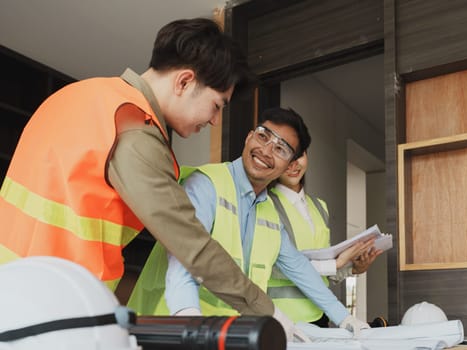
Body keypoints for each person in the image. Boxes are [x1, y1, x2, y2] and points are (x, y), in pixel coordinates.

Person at [0, 18, 280, 319]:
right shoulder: (134, 128)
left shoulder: (80, 95)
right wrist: (269, 313)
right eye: (216, 105)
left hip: (14, 289)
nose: (214, 121)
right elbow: (191, 244)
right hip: (59, 309)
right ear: (184, 82)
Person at [129, 107, 371, 340]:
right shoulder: (207, 184)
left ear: (288, 166)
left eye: (281, 149)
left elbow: (300, 269)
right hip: (169, 326)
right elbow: (183, 260)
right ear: (248, 138)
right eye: (263, 136)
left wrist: (343, 318)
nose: (266, 151)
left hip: (224, 332)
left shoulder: (270, 214)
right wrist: (190, 323)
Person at [267, 150, 382, 327]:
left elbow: (325, 273)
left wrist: (353, 269)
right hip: (283, 318)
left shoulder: (319, 206)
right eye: (285, 156)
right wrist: (334, 264)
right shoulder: (265, 204)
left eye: (298, 155)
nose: (293, 164)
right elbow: (270, 266)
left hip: (321, 313)